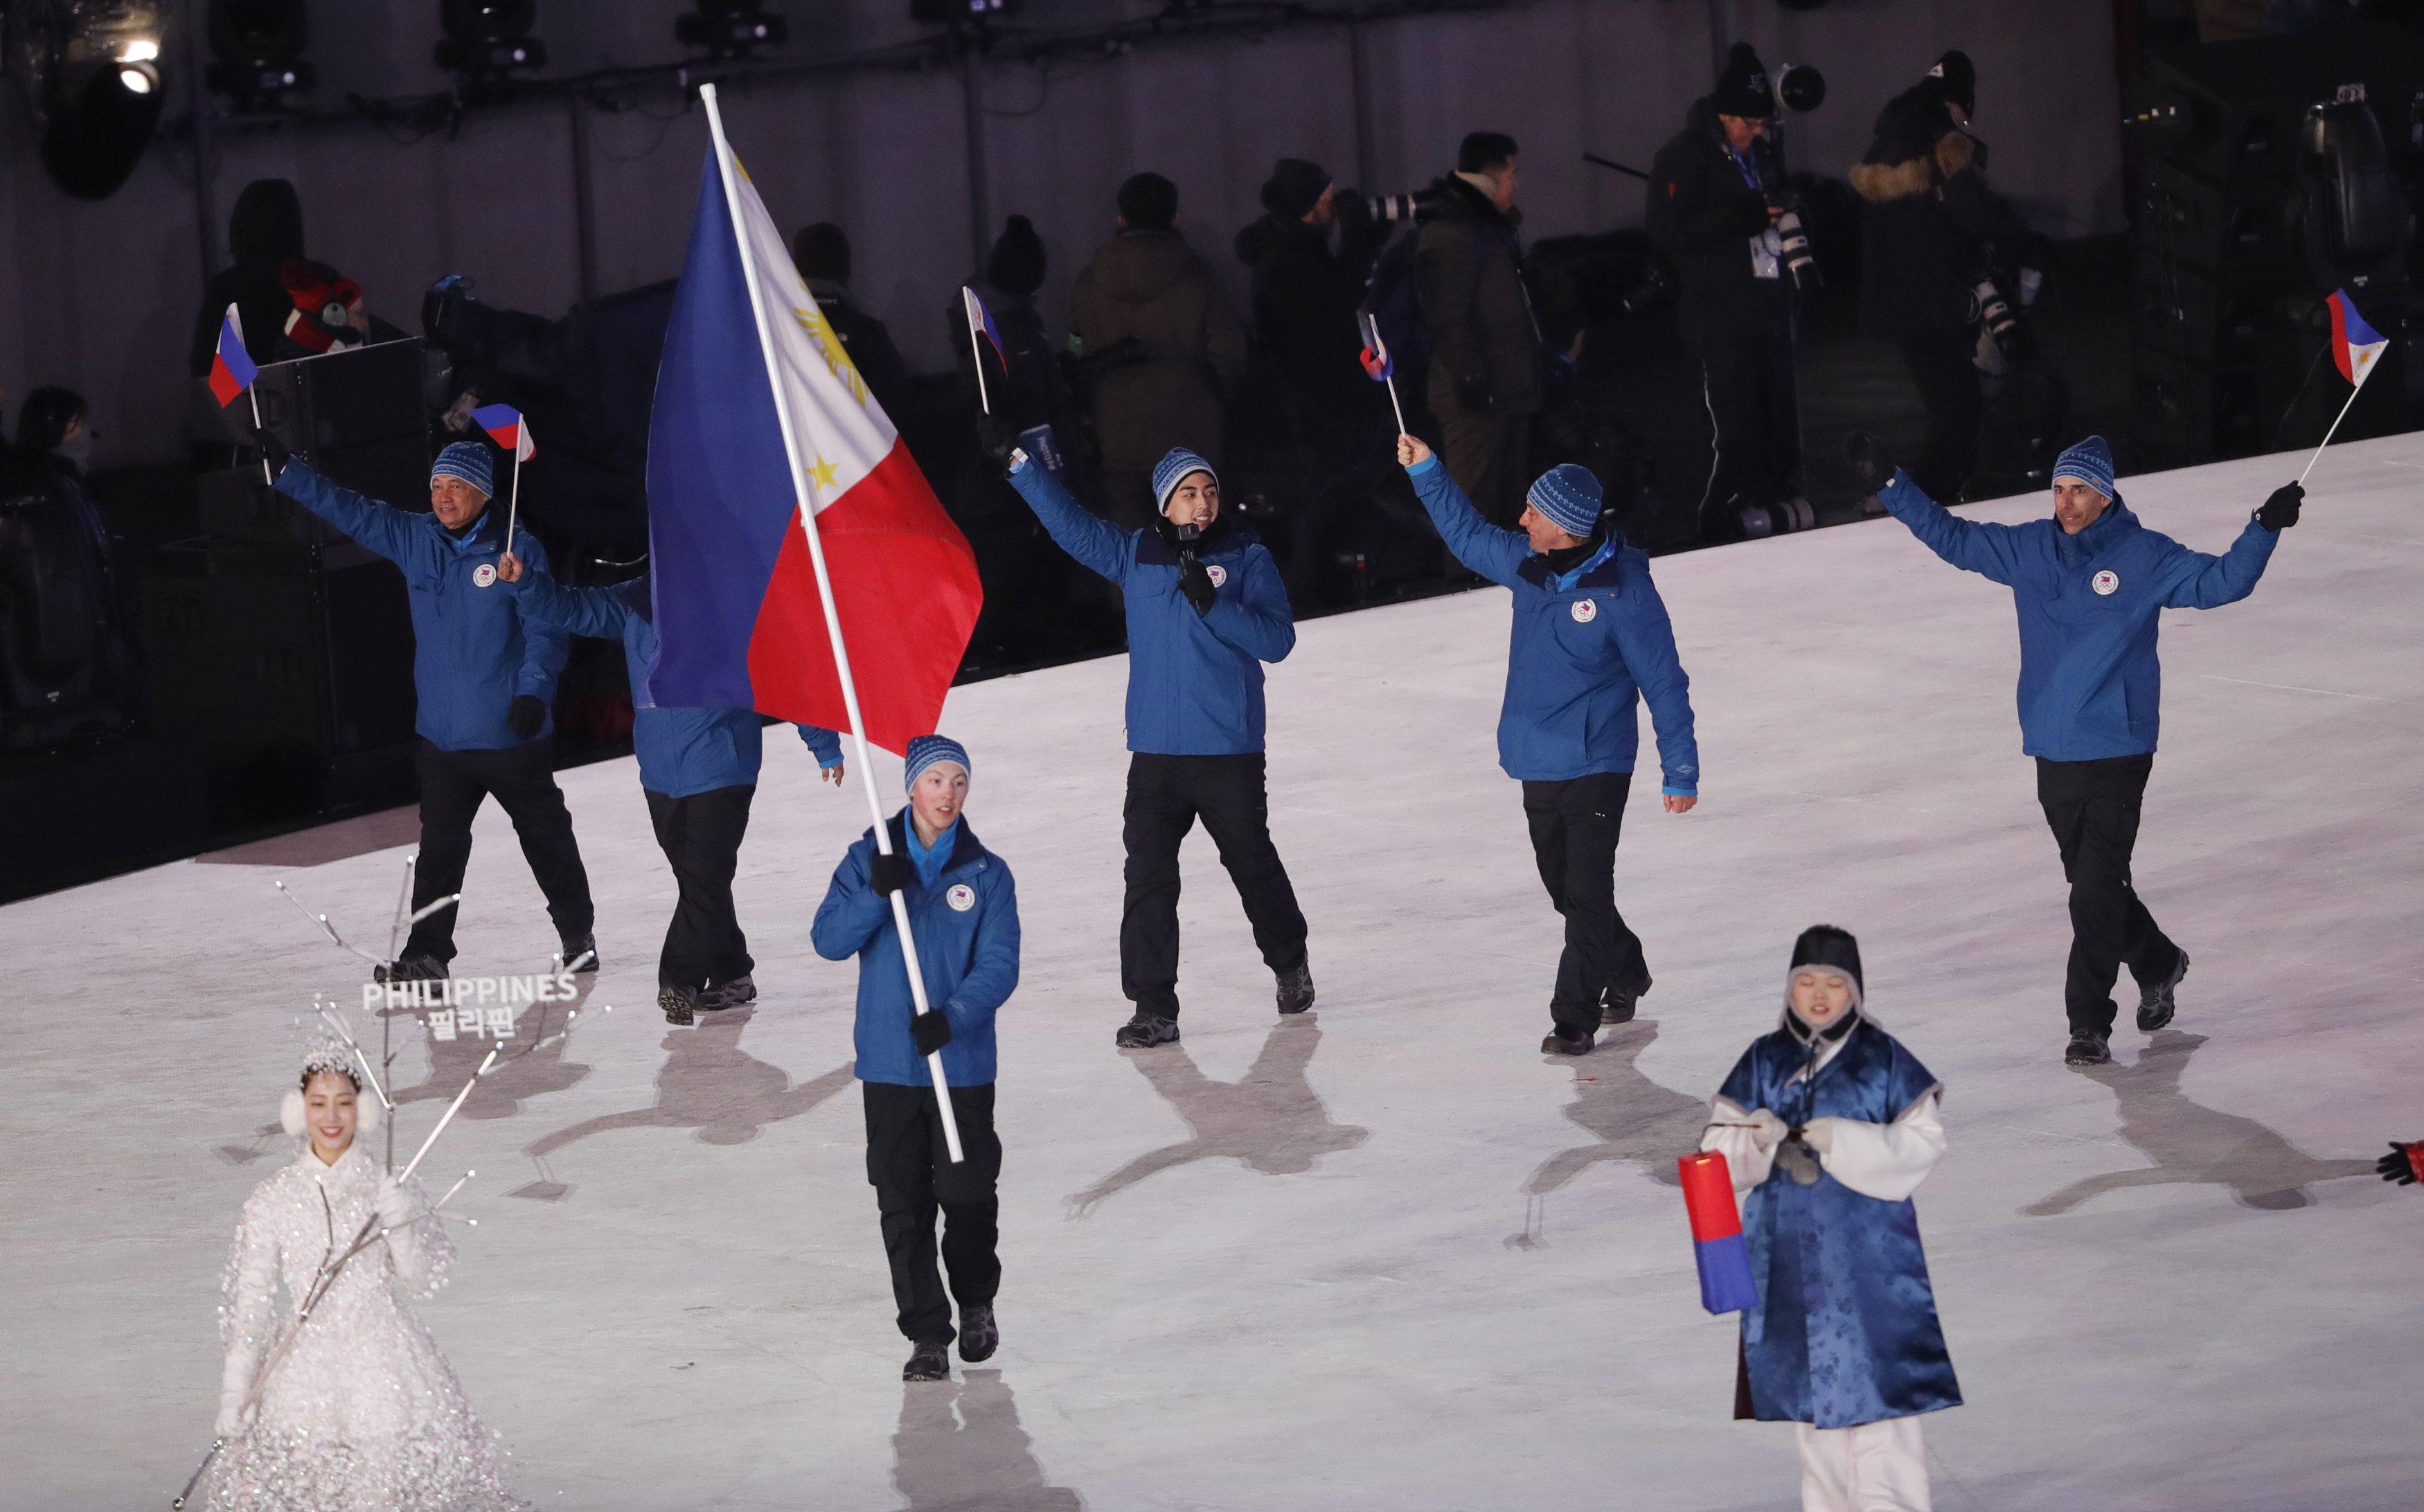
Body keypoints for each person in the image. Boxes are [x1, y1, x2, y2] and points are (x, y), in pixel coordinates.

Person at [1848, 429, 2303, 1065]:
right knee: (2099, 886)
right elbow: (1951, 537)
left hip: (2118, 748)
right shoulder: (2028, 549)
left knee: (2091, 893)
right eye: (2059, 489)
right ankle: (2160, 961)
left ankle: (2088, 1021)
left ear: (2106, 495)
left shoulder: (2144, 556)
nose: (2065, 503)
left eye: (2079, 491)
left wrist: (2263, 529)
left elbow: (2222, 582)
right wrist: (1891, 485)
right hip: (2052, 749)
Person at [990, 429, 1312, 1047]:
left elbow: (1278, 641)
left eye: (1210, 492)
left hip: (1227, 752)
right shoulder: (1134, 553)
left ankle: (1289, 960)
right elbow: (1070, 524)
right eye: (1188, 493)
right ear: (1165, 502)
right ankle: (1153, 1006)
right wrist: (1018, 464)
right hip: (1157, 756)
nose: (1203, 504)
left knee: (1251, 864)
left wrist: (1215, 605)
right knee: (1148, 879)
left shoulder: (1248, 556)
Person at [1396, 434, 1699, 1053]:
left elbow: (1663, 680)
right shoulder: (1527, 563)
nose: (1520, 519)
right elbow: (1465, 533)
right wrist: (1426, 469)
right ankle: (1627, 964)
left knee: (1587, 889)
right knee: (1561, 884)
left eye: (1533, 513)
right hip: (1539, 754)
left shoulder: (1625, 591)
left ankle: (1575, 1016)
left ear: (1563, 528)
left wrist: (1680, 770)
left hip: (1598, 757)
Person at [264, 434, 597, 981]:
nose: (443, 498)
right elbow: (349, 508)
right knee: (440, 850)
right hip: (442, 740)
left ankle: (576, 932)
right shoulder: (415, 538)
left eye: (457, 487)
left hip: (509, 735)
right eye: (437, 485)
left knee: (545, 839)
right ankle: (427, 955)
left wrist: (533, 692)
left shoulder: (516, 550)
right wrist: (288, 471)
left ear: (485, 494)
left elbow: (546, 628)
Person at [496, 551, 844, 1024]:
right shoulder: (639, 599)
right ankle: (732, 972)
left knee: (702, 879)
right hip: (660, 772)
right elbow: (572, 608)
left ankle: (678, 979)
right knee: (700, 881)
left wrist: (822, 743)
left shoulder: (736, 603)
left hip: (722, 765)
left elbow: (788, 670)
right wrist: (526, 582)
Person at [1700, 926, 1960, 1512]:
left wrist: (1846, 1140)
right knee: (1811, 1404)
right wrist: (1756, 1139)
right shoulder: (1765, 1060)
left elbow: (1923, 1142)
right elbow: (1716, 1152)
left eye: (1834, 983)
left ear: (1856, 991)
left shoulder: (1884, 1059)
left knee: (1883, 1398)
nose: (1819, 996)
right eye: (1807, 982)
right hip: (1789, 1261)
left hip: (1872, 1264)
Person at [206, 1044, 516, 1510]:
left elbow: (419, 1278)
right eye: (318, 1103)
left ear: (362, 1110)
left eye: (344, 1102)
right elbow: (251, 1301)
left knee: (379, 1488)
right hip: (302, 1372)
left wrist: (403, 1221)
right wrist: (236, 1391)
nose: (331, 1116)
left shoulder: (388, 1184)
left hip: (382, 1362)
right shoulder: (271, 1197)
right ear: (298, 1110)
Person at [811, 737, 1019, 1382]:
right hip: (890, 1064)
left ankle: (976, 1299)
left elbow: (999, 964)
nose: (949, 794)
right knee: (901, 1201)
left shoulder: (986, 872)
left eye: (959, 781)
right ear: (910, 788)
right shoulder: (868, 856)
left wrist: (953, 1018)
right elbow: (827, 939)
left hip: (959, 1065)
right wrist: (877, 892)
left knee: (966, 1191)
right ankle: (927, 1334)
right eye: (936, 780)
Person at [1851, 53, 2050, 503]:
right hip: (1934, 301)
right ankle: (1925, 504)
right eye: (1966, 112)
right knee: (1958, 407)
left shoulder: (1887, 141)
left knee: (1952, 402)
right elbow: (1976, 211)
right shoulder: (1941, 142)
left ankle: (1936, 497)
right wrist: (2025, 244)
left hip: (1895, 299)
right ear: (1957, 104)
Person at [1646, 43, 1806, 541]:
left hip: (1767, 309)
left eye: (1763, 126)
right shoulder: (1683, 155)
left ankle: (1770, 506)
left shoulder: (1760, 151)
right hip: (1718, 316)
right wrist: (1750, 215)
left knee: (1778, 416)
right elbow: (1668, 231)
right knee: (1731, 424)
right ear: (1724, 115)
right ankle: (1715, 521)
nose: (1756, 134)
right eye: (1749, 125)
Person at [1069, 171, 1248, 529]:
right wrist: (1213, 400)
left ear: (1121, 219)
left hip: (1118, 437)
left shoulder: (1088, 282)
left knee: (1130, 554)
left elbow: (1077, 353)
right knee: (1201, 551)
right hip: (1191, 436)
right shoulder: (1200, 277)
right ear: (1174, 218)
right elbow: (1231, 358)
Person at [1416, 132, 1543, 528]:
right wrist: (1473, 382)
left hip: (1504, 389)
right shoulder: (1453, 232)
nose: (1516, 184)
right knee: (1474, 510)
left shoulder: (1486, 227)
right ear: (1490, 181)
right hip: (1477, 397)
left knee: (1506, 509)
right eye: (1511, 174)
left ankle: (1504, 585)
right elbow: (1447, 319)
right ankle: (1465, 587)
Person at [188, 178, 380, 377]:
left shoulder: (227, 289)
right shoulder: (323, 279)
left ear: (240, 226)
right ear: (294, 225)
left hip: (252, 402)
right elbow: (352, 359)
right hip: (320, 399)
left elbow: (208, 375)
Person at [792, 222, 916, 425]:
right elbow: (897, 406)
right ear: (846, 268)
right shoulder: (868, 334)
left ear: (795, 266)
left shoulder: (776, 331)